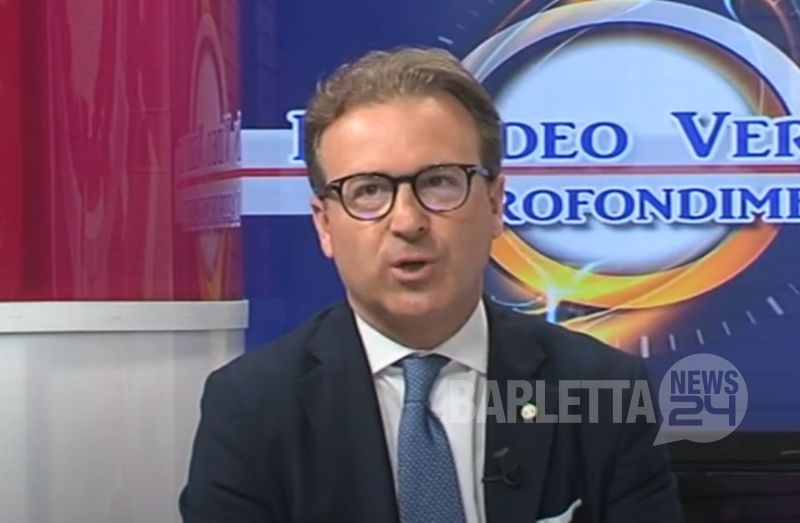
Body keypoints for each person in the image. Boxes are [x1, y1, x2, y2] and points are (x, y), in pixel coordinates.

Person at [179, 47, 684, 523]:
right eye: (368, 190)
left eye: (439, 181)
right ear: (325, 225)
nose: (407, 221)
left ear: (494, 204)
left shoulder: (603, 390)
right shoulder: (251, 408)